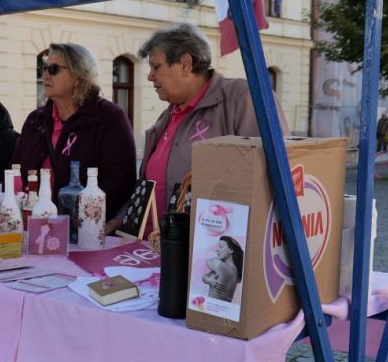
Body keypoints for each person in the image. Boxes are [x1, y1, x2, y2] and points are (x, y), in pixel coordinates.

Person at [105, 23, 285, 233]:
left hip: (211, 245)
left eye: (156, 67)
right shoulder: (169, 115)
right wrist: (123, 218)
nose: (150, 76)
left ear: (185, 63)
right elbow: (149, 186)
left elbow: (270, 176)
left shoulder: (242, 97)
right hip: (154, 245)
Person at [12, 43, 136, 218]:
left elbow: (120, 181)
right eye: (44, 68)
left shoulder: (109, 118)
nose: (45, 75)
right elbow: (15, 171)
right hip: (33, 224)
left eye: (53, 69)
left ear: (78, 75)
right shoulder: (35, 120)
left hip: (86, 228)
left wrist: (82, 219)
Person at [203, 236, 243, 301]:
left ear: (231, 250)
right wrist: (208, 279)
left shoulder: (219, 264)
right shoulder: (236, 271)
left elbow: (208, 262)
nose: (217, 250)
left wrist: (207, 279)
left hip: (212, 304)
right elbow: (206, 276)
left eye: (221, 247)